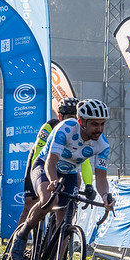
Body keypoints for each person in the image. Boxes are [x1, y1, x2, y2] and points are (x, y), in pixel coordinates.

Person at [9, 99, 116, 260]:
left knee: (65, 222)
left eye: (102, 124)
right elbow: (50, 161)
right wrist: (52, 180)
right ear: (81, 121)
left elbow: (101, 177)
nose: (99, 129)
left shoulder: (102, 145)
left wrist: (105, 195)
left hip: (69, 174)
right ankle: (22, 235)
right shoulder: (65, 129)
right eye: (94, 124)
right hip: (44, 166)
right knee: (50, 199)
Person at [15, 96, 94, 227]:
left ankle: (59, 236)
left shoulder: (81, 133)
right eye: (69, 116)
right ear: (60, 117)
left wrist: (89, 184)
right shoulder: (49, 127)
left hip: (65, 168)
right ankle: (18, 240)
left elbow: (85, 162)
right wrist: (40, 181)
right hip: (43, 162)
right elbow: (38, 154)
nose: (73, 120)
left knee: (69, 205)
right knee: (30, 204)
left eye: (76, 117)